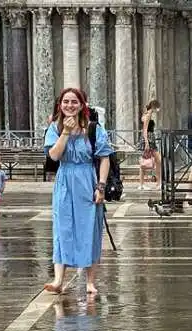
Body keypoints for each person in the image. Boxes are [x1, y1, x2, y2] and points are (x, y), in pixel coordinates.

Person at [43, 88, 114, 297]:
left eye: (74, 102)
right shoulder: (55, 128)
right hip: (65, 180)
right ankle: (58, 280)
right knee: (63, 228)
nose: (70, 106)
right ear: (60, 105)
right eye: (66, 102)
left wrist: (101, 186)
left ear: (82, 105)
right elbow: (54, 156)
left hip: (87, 179)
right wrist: (65, 132)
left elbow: (104, 158)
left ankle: (90, 281)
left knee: (89, 229)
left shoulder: (93, 129)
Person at [138, 99, 160, 189]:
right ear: (154, 107)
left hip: (147, 138)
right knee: (158, 160)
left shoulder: (145, 114)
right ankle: (159, 183)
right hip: (149, 139)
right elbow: (145, 129)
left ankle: (141, 184)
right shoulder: (148, 114)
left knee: (144, 162)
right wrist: (147, 143)